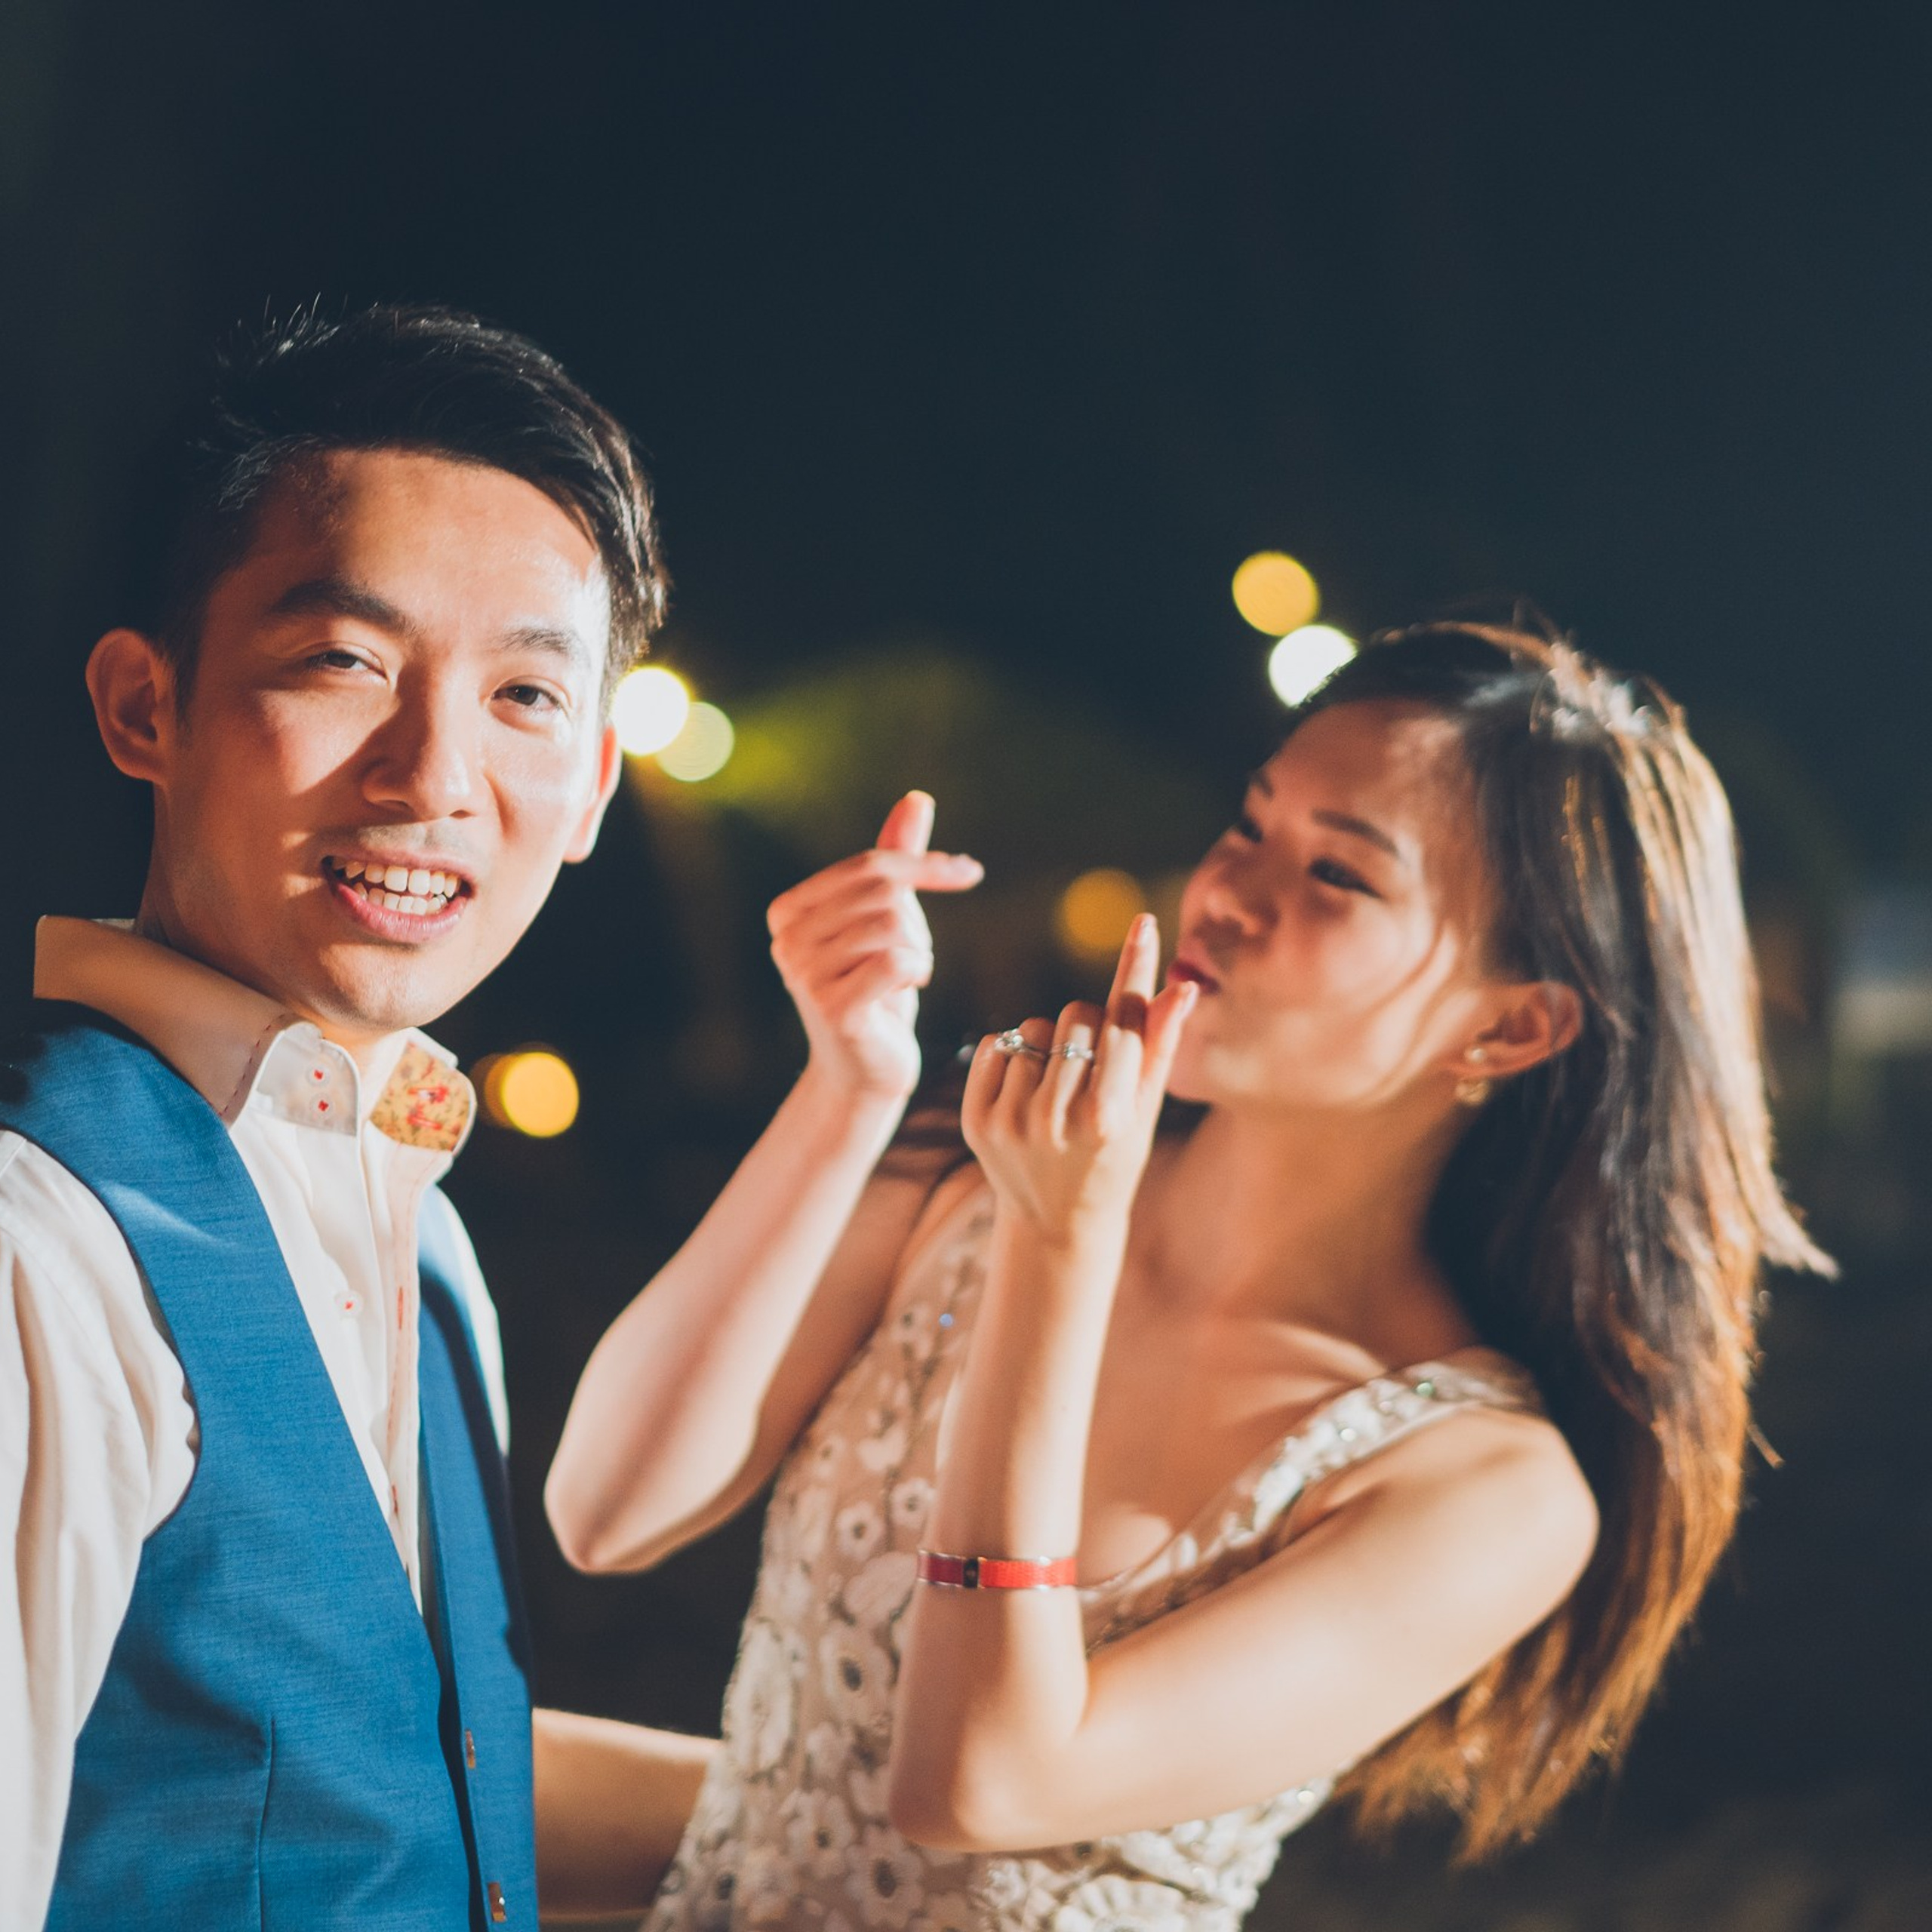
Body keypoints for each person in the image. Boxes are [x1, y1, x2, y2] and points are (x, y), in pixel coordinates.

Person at [547, 620, 1832, 1929]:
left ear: (1510, 1026)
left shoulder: (1490, 1487)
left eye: (1337, 872)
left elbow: (979, 1784)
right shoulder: (970, 1166)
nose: (1225, 892)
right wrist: (850, 1085)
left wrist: (1061, 1247)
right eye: (1253, 819)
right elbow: (611, 1512)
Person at [1, 303, 714, 1931]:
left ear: (595, 779)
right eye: (343, 662)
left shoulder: (430, 1232)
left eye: (524, 697)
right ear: (143, 706)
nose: (431, 773)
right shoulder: (37, 1241)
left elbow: (406, 1771)